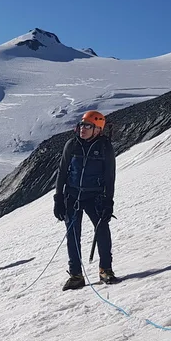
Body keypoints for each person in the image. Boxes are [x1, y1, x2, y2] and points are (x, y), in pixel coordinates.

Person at [54, 110, 121, 290]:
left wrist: (109, 202)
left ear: (97, 129)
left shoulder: (105, 148)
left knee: (102, 231)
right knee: (72, 236)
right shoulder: (72, 145)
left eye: (87, 126)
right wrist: (58, 198)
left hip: (94, 196)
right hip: (73, 196)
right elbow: (62, 171)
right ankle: (76, 275)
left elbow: (109, 177)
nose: (82, 129)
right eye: (82, 125)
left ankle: (106, 270)